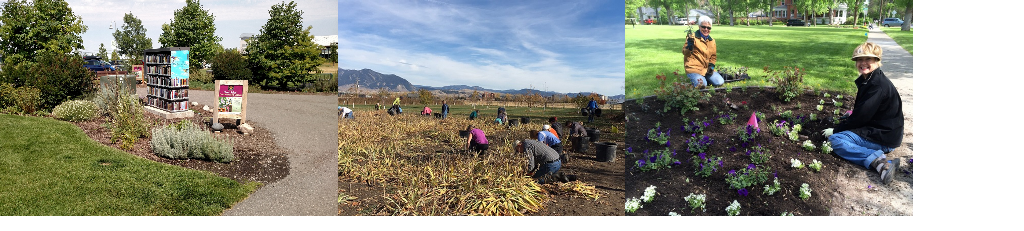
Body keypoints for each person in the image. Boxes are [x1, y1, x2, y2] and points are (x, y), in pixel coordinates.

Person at [824, 42, 904, 185]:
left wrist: (835, 129)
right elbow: (867, 110)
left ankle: (880, 162)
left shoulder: (876, 85)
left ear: (877, 61)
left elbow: (860, 118)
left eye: (868, 59)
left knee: (836, 140)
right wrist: (852, 114)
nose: (863, 63)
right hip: (884, 132)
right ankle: (883, 159)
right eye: (860, 59)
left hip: (883, 137)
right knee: (843, 132)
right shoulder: (870, 80)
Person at [682, 15, 724, 88]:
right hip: (694, 69)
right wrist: (689, 47)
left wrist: (711, 67)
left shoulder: (712, 41)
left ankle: (704, 78)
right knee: (702, 84)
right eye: (703, 27)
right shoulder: (692, 37)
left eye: (708, 28)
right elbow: (685, 53)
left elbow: (713, 57)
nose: (706, 29)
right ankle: (696, 79)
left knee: (719, 82)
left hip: (706, 70)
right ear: (699, 26)